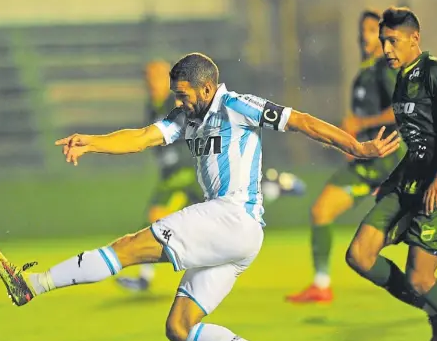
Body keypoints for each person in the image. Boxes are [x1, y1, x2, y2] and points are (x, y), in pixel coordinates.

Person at [0, 52, 399, 341]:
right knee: (179, 328)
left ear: (207, 90)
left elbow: (302, 121)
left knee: (129, 247)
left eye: (184, 94)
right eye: (176, 95)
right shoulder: (187, 118)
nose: (179, 102)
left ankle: (34, 285)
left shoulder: (236, 105)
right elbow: (142, 137)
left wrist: (358, 147)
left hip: (231, 216)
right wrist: (92, 142)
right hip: (240, 238)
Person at [116, 60, 306, 292]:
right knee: (205, 209)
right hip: (173, 175)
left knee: (168, 212)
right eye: (147, 76)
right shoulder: (152, 105)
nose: (150, 81)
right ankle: (274, 186)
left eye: (155, 76)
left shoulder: (175, 101)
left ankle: (273, 183)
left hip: (187, 171)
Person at [344, 7, 437, 341]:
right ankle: (434, 310)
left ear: (414, 38)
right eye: (382, 40)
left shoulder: (435, 73)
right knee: (359, 255)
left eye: (393, 40)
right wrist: (392, 180)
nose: (386, 48)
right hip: (408, 183)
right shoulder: (402, 78)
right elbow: (419, 143)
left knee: (420, 278)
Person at [286, 9, 406, 304]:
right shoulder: (363, 75)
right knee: (321, 211)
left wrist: (361, 124)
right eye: (362, 29)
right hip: (367, 163)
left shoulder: (385, 70)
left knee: (415, 230)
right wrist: (352, 144)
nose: (363, 35)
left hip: (390, 161)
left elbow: (401, 109)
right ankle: (321, 284)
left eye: (370, 29)